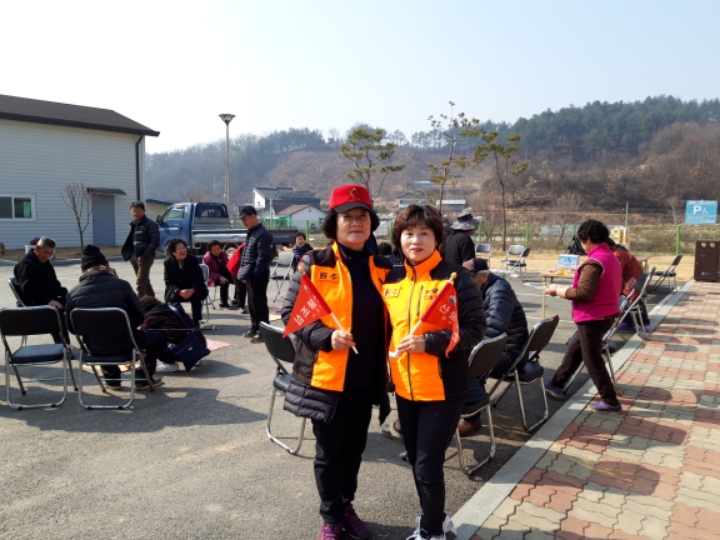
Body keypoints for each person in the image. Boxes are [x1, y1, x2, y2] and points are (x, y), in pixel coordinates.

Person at [281, 184, 392, 540]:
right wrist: (326, 336)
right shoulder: (314, 263)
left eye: (363, 216)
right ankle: (330, 518)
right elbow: (291, 314)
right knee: (329, 453)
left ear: (371, 223)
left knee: (355, 449)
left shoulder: (385, 267)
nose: (356, 223)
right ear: (334, 223)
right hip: (325, 378)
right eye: (348, 217)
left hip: (365, 378)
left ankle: (346, 505)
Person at [382, 204, 486, 540]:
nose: (416, 240)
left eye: (424, 233)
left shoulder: (454, 277)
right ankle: (437, 519)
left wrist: (429, 342)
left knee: (428, 464)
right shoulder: (392, 279)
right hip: (405, 388)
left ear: (437, 238)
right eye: (409, 233)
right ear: (399, 239)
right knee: (416, 460)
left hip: (443, 389)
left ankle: (431, 532)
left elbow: (475, 328)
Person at [544, 219, 623, 412]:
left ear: (587, 239)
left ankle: (610, 400)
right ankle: (557, 383)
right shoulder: (610, 257)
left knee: (592, 359)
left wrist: (558, 290)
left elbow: (583, 293)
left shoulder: (594, 263)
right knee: (576, 349)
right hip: (605, 313)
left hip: (593, 316)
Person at [65, 245, 165, 391]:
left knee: (98, 333)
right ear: (107, 265)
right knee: (157, 336)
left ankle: (112, 380)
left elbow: (72, 329)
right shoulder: (121, 285)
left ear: (82, 270)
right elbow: (139, 316)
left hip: (95, 349)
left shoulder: (72, 294)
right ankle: (143, 378)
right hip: (126, 343)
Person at [460, 258, 528, 436]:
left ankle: (472, 419)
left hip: (510, 352)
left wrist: (470, 347)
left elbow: (495, 327)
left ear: (483, 276)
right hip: (500, 347)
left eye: (468, 280)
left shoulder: (500, 290)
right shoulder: (480, 288)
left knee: (465, 363)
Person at [13, 236, 69, 344]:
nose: (47, 256)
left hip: (46, 298)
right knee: (57, 310)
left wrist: (67, 294)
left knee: (75, 302)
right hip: (33, 303)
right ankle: (63, 345)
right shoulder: (26, 265)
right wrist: (48, 301)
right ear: (37, 248)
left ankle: (87, 341)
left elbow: (54, 285)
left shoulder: (45, 263)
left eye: (50, 253)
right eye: (45, 252)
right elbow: (29, 290)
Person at [139, 296, 206, 373]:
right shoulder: (173, 308)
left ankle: (170, 364)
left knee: (153, 338)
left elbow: (141, 335)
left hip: (180, 351)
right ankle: (193, 358)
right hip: (199, 347)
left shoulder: (153, 316)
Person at [237, 205, 274, 344]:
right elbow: (246, 255)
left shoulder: (263, 233)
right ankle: (254, 327)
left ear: (253, 216)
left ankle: (263, 332)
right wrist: (245, 274)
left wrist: (255, 274)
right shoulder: (252, 232)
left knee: (259, 304)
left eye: (245, 219)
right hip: (251, 273)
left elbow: (263, 257)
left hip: (259, 274)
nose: (244, 223)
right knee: (252, 302)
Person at [606, 238, 651, 332]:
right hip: (634, 278)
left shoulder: (617, 254)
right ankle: (629, 322)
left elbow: (616, 271)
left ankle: (644, 323)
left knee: (630, 297)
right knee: (628, 297)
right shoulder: (617, 251)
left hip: (631, 279)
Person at [164, 238, 208, 326]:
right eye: (179, 249)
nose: (183, 250)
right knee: (172, 298)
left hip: (193, 288)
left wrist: (192, 289)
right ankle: (182, 319)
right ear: (173, 252)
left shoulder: (193, 259)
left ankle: (196, 321)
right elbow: (168, 282)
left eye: (183, 248)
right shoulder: (168, 263)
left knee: (197, 296)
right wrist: (179, 291)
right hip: (178, 290)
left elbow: (199, 278)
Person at [121, 201, 160, 298]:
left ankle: (140, 304)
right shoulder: (133, 224)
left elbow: (155, 242)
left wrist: (146, 254)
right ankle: (152, 300)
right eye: (133, 211)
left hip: (145, 257)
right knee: (145, 281)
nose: (135, 213)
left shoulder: (151, 224)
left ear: (144, 211)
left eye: (138, 211)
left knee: (140, 282)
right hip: (134, 256)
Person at [202, 240, 235, 309]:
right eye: (214, 250)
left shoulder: (223, 253)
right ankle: (224, 303)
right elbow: (208, 273)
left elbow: (228, 265)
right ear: (210, 250)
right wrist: (219, 277)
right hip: (213, 278)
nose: (217, 252)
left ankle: (237, 300)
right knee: (224, 282)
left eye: (218, 249)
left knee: (238, 279)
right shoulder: (207, 258)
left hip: (224, 273)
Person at [226, 242, 247, 313]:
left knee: (240, 286)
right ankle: (241, 306)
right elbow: (242, 262)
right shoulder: (246, 247)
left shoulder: (249, 244)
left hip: (238, 266)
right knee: (241, 286)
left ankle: (236, 300)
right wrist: (243, 276)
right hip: (235, 267)